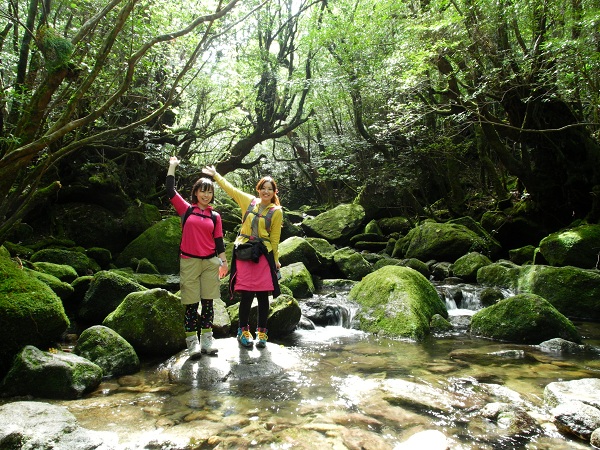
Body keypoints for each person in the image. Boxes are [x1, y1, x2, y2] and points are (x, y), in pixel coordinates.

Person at [202, 165, 283, 349]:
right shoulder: (249, 201)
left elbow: (275, 238)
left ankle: (262, 333)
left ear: (274, 192)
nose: (266, 191)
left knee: (263, 296)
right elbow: (231, 189)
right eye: (263, 188)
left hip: (263, 253)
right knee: (246, 295)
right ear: (259, 189)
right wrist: (216, 175)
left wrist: (276, 259)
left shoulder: (277, 211)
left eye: (270, 189)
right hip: (244, 252)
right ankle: (242, 331)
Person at [167, 156, 229, 359]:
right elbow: (170, 191)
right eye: (202, 190)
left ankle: (207, 341)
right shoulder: (186, 210)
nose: (206, 194)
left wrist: (224, 262)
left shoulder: (215, 216)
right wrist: (172, 166)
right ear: (195, 192)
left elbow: (219, 240)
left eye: (209, 191)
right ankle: (192, 343)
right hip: (190, 262)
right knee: (192, 305)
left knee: (209, 304)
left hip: (210, 262)